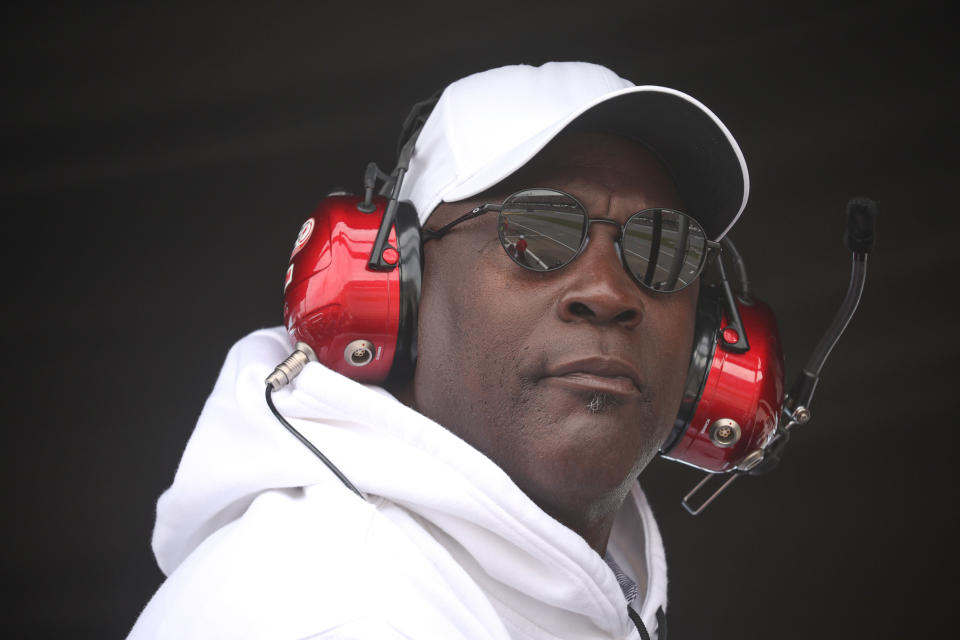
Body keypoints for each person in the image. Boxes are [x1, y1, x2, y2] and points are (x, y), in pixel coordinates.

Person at [128, 62, 748, 640]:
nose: (610, 292)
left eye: (664, 247)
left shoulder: (574, 598)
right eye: (536, 229)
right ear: (399, 288)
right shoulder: (329, 608)